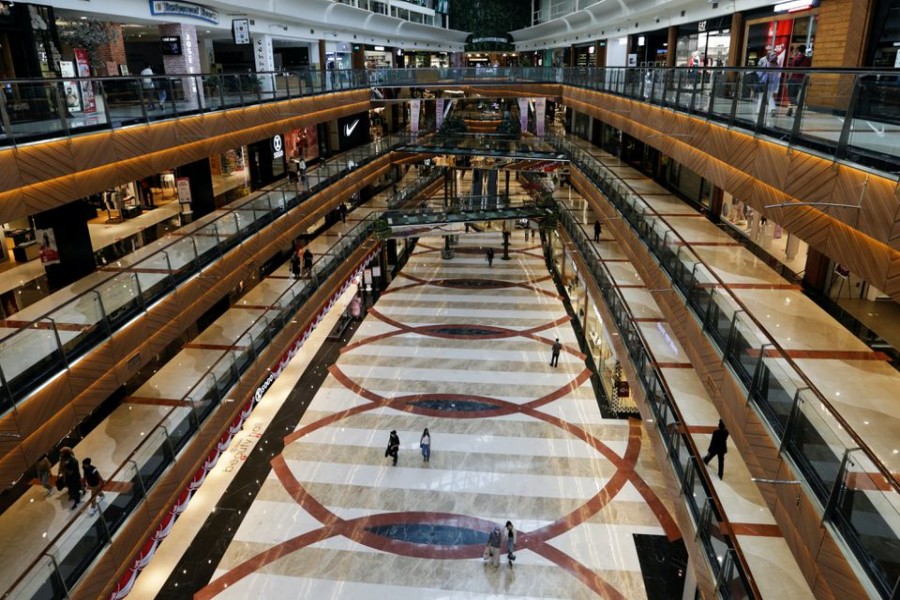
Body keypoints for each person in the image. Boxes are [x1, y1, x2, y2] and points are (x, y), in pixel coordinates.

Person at [754, 50, 780, 120]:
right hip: (772, 83)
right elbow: (777, 75)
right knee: (770, 97)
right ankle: (772, 109)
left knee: (761, 97)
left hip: (763, 82)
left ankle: (759, 110)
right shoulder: (777, 65)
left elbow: (759, 72)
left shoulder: (764, 62)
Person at [786, 45, 810, 117]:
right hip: (801, 79)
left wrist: (788, 79)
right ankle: (790, 111)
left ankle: (798, 111)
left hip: (794, 78)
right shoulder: (808, 59)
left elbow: (792, 70)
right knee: (794, 96)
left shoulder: (796, 58)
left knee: (791, 96)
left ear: (798, 50)